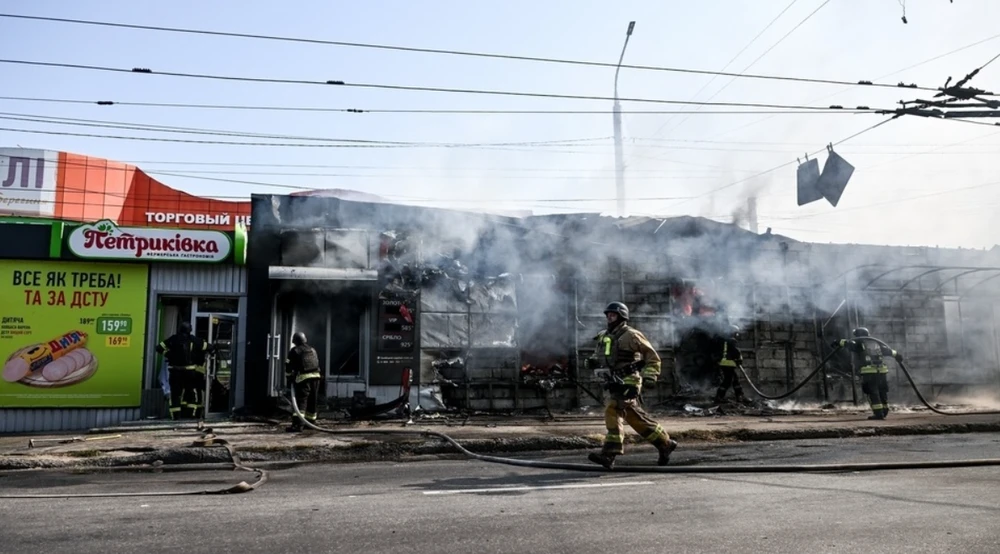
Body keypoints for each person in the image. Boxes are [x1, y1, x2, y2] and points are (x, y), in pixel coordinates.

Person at [584, 302, 678, 469]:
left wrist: (650, 375)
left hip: (629, 381)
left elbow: (652, 357)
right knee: (633, 417)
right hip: (613, 380)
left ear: (622, 316)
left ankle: (609, 454)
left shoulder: (632, 335)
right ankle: (664, 443)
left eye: (613, 314)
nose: (609, 317)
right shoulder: (604, 335)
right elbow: (599, 355)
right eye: (608, 315)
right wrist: (592, 362)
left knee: (612, 409)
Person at [834, 327, 903, 420]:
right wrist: (897, 355)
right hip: (881, 372)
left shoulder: (860, 343)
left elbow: (849, 344)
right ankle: (884, 411)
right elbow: (888, 351)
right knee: (882, 392)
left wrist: (838, 342)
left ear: (858, 335)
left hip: (869, 373)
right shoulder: (876, 343)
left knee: (872, 393)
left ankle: (878, 414)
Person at [155, 321, 211, 420]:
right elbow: (207, 346)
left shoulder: (173, 339)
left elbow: (159, 347)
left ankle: (175, 416)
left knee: (175, 394)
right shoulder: (193, 339)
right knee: (191, 393)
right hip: (189, 372)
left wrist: (168, 354)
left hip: (175, 371)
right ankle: (192, 415)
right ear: (190, 330)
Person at [285, 331, 322, 432]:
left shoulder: (294, 350)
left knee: (301, 401)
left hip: (304, 379)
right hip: (316, 378)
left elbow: (288, 365)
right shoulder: (312, 349)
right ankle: (311, 423)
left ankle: (298, 425)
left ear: (295, 341)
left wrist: (289, 377)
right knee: (312, 400)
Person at [714, 324, 747, 404]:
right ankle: (719, 397)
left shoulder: (722, 341)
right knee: (728, 381)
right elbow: (736, 352)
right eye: (736, 333)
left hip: (723, 364)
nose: (737, 335)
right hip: (729, 364)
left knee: (735, 380)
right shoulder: (732, 341)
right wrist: (739, 359)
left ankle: (740, 396)